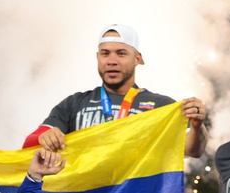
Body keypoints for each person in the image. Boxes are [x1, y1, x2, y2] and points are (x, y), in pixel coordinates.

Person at [27, 22, 207, 158]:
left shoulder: (161, 106)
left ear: (137, 59)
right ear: (97, 57)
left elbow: (193, 150)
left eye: (121, 53)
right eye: (105, 53)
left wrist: (198, 126)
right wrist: (44, 137)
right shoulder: (73, 104)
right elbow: (29, 144)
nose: (111, 60)